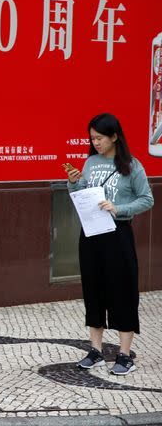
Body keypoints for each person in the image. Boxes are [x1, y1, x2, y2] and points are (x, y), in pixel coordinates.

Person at [67, 113, 153, 376]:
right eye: (92, 138)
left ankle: (125, 355)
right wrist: (73, 183)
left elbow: (147, 199)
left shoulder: (131, 165)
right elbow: (83, 194)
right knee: (94, 291)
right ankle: (95, 350)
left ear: (115, 136)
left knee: (123, 292)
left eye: (100, 138)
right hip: (91, 236)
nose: (95, 143)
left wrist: (119, 208)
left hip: (118, 235)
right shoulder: (90, 162)